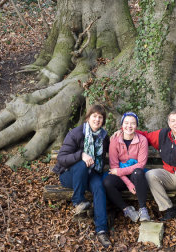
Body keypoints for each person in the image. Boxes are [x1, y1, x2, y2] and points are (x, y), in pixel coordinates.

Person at [52, 104, 112, 248]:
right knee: (81, 164)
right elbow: (61, 158)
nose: (97, 120)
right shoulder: (76, 133)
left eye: (100, 117)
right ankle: (78, 201)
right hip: (69, 175)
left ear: (103, 121)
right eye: (94, 116)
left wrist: (119, 136)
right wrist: (81, 155)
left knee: (99, 187)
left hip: (91, 174)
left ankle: (102, 229)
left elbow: (114, 149)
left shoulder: (104, 137)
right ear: (88, 117)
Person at [103, 112, 150, 222]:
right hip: (121, 177)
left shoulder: (142, 140)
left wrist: (120, 172)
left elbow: (141, 164)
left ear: (136, 126)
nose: (129, 126)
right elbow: (114, 166)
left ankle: (143, 209)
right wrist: (128, 184)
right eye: (126, 123)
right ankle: (126, 209)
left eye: (133, 123)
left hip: (136, 175)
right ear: (122, 125)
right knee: (107, 182)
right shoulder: (115, 141)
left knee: (138, 172)